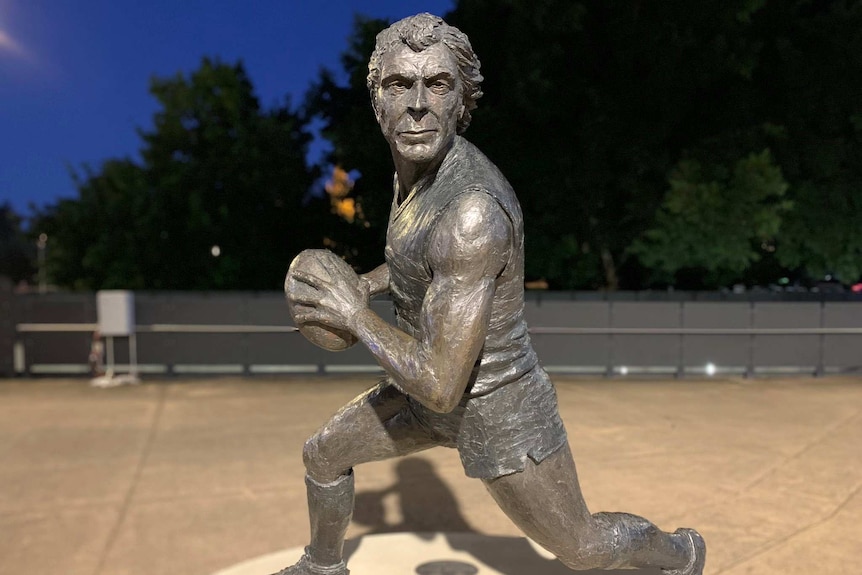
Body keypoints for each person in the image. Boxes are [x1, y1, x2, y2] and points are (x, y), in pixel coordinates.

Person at [282, 13, 705, 575]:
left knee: (581, 548)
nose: (416, 104)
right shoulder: (413, 169)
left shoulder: (472, 212)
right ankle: (322, 566)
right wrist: (363, 284)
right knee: (324, 453)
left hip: (494, 404)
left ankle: (681, 553)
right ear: (377, 102)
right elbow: (416, 260)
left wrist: (356, 316)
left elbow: (441, 384)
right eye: (397, 85)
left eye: (437, 84)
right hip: (425, 378)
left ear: (463, 101)